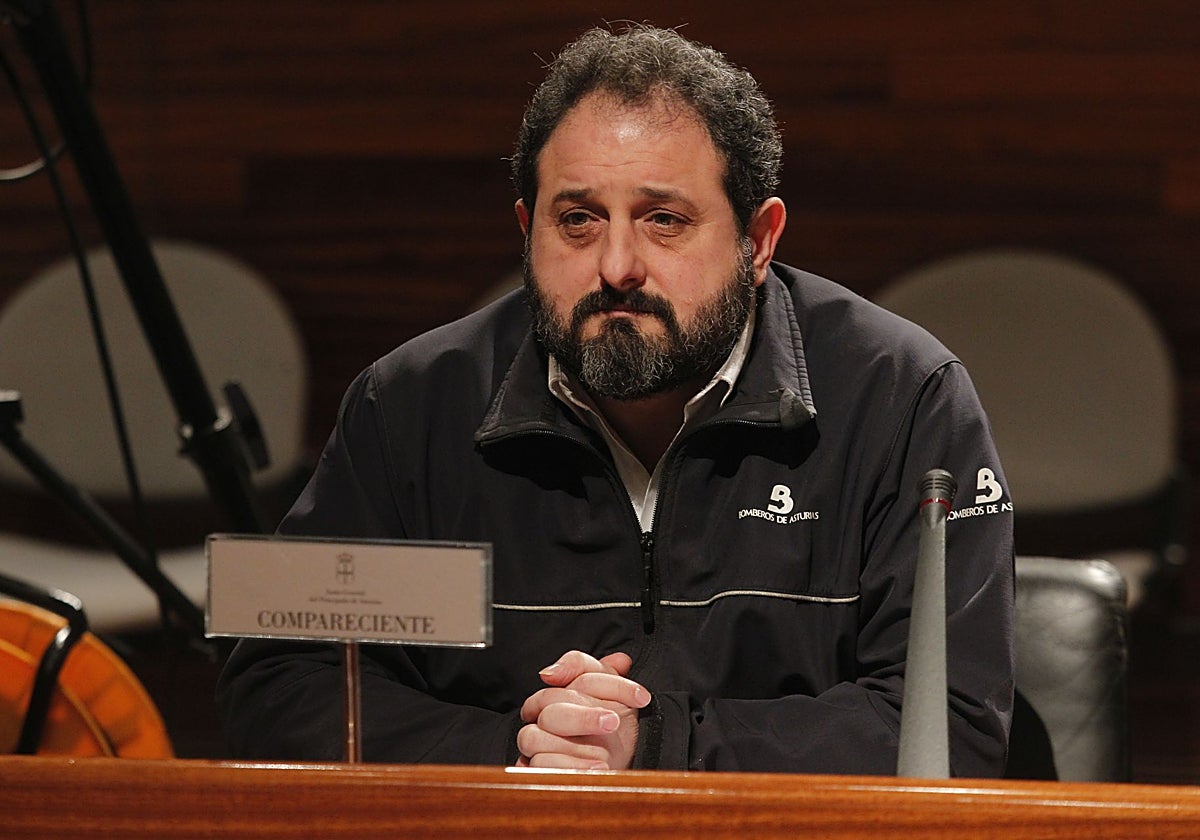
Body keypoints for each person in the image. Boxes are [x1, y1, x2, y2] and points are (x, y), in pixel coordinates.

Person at [217, 23, 1014, 776]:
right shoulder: (410, 407)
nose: (617, 264)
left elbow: (947, 723)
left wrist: (653, 746)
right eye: (577, 220)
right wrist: (521, 750)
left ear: (759, 239)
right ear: (526, 229)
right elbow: (279, 687)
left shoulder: (903, 400)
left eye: (663, 219)